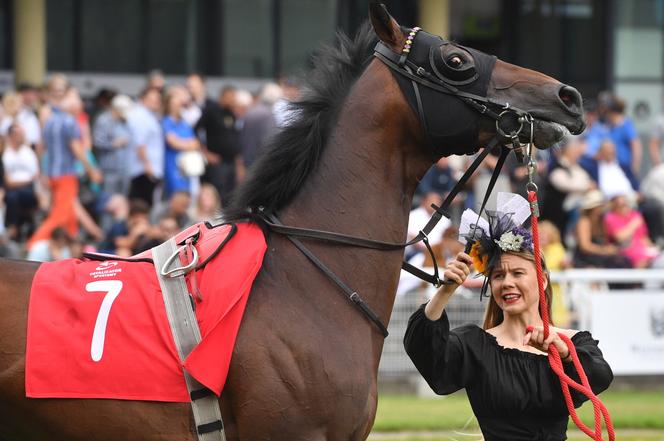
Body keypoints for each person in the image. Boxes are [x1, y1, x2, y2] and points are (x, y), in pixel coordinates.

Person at [404, 192, 613, 441]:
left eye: (517, 273)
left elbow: (600, 377)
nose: (507, 283)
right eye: (499, 276)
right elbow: (427, 353)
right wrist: (444, 291)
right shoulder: (475, 344)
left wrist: (565, 353)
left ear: (542, 279)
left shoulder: (572, 343)